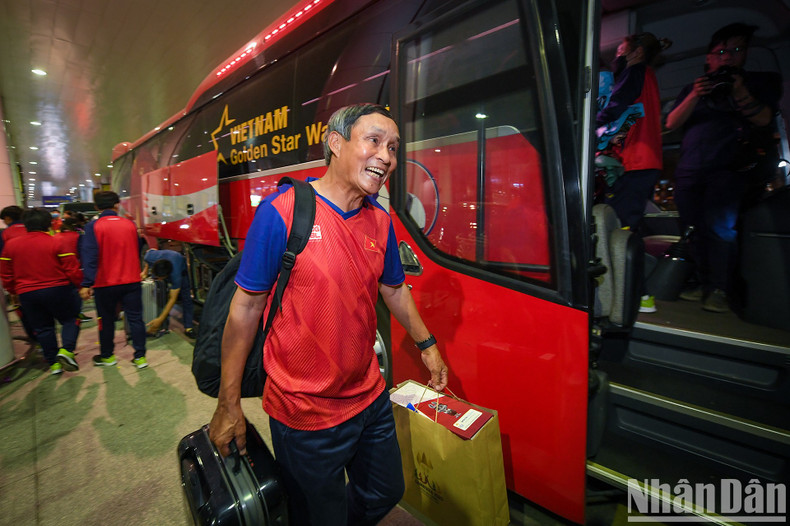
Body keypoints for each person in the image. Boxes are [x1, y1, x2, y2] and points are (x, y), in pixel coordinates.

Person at [208, 103, 449, 526]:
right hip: (304, 413)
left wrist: (428, 346)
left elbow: (393, 288)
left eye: (393, 147)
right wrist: (229, 405)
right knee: (318, 514)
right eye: (374, 141)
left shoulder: (381, 219)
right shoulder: (281, 212)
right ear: (335, 143)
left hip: (368, 397)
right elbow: (245, 310)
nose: (387, 157)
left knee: (385, 491)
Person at [665, 23, 782, 313]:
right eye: (720, 52)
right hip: (690, 169)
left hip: (729, 169)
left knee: (721, 229)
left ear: (744, 55)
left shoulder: (759, 82)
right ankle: (703, 282)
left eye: (735, 51)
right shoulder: (693, 89)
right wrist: (694, 94)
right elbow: (670, 124)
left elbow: (765, 119)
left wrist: (740, 90)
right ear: (709, 58)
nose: (727, 57)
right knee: (692, 228)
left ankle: (720, 289)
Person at [597, 32, 670, 313]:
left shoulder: (635, 71)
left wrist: (592, 126)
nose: (617, 55)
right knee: (627, 226)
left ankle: (637, 295)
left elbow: (617, 105)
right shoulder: (647, 76)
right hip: (643, 161)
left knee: (621, 230)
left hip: (635, 162)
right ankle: (636, 293)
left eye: (620, 49)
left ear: (636, 52)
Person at [0, 208, 82, 375]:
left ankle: (54, 365)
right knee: (70, 319)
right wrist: (81, 286)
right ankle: (66, 351)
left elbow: (6, 274)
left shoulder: (10, 246)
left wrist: (13, 291)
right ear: (49, 223)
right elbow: (72, 269)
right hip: (57, 289)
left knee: (43, 328)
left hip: (27, 293)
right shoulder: (56, 242)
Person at [79, 191, 149, 368]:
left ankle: (107, 356)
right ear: (117, 205)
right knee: (135, 319)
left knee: (106, 319)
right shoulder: (130, 225)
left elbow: (90, 256)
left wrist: (87, 283)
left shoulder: (93, 227)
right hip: (132, 280)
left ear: (96, 207)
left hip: (105, 283)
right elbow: (137, 247)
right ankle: (140, 357)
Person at [140, 248, 195, 338]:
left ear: (167, 276)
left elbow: (172, 299)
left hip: (180, 265)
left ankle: (188, 327)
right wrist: (145, 271)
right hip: (165, 259)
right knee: (160, 292)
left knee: (186, 297)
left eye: (160, 278)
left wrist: (160, 319)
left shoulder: (176, 276)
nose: (158, 279)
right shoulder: (149, 257)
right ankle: (162, 324)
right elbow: (150, 250)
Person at [57, 217, 92, 321]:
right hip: (74, 267)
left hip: (59, 270)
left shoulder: (57, 236)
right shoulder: (79, 236)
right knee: (75, 292)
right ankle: (77, 314)